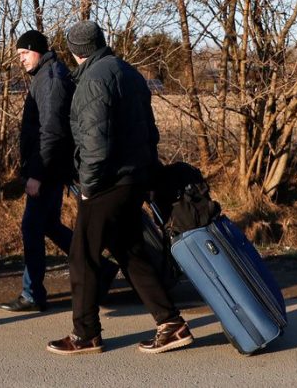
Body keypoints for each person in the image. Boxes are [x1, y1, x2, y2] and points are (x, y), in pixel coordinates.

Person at [47, 21, 193, 356]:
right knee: (130, 251)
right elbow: (150, 131)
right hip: (136, 177)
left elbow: (95, 142)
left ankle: (85, 334)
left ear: (75, 51)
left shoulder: (93, 80)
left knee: (82, 256)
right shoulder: (128, 73)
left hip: (108, 182)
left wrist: (88, 186)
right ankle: (171, 324)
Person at [0, 30, 77, 313]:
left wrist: (37, 175)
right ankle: (101, 270)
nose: (20, 59)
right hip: (49, 167)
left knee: (31, 226)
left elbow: (52, 132)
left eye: (24, 53)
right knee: (48, 225)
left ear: (38, 51)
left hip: (48, 170)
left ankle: (32, 294)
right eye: (18, 55)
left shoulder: (51, 79)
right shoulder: (45, 76)